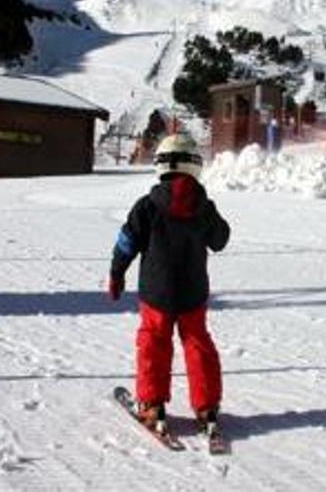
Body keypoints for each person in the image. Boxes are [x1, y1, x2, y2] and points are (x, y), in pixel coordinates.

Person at [107, 133, 231, 433]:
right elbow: (221, 240)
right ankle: (207, 408)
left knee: (154, 342)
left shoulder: (147, 206)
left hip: (156, 292)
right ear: (195, 166)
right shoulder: (204, 206)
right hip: (193, 293)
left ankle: (152, 404)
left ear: (160, 164)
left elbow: (126, 243)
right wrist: (207, 217)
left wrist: (116, 273)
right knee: (197, 343)